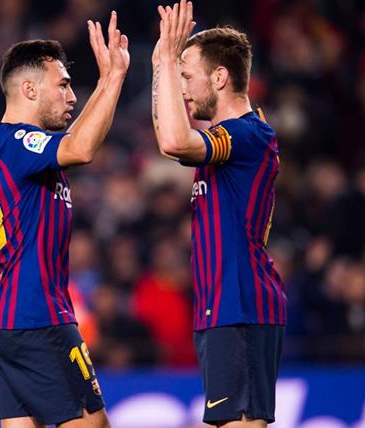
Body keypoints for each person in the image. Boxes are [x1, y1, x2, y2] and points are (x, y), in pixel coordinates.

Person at [0, 11, 129, 428]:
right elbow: (81, 148)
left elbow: (74, 138)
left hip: (9, 317)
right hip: (37, 315)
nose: (71, 96)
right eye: (62, 85)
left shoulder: (18, 147)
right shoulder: (16, 142)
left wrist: (105, 82)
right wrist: (113, 79)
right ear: (28, 89)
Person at [151, 2, 286, 427]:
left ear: (220, 77)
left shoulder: (247, 134)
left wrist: (167, 62)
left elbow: (173, 140)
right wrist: (163, 65)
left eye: (188, 77)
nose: (184, 89)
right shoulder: (227, 138)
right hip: (222, 307)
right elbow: (167, 137)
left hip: (242, 305)